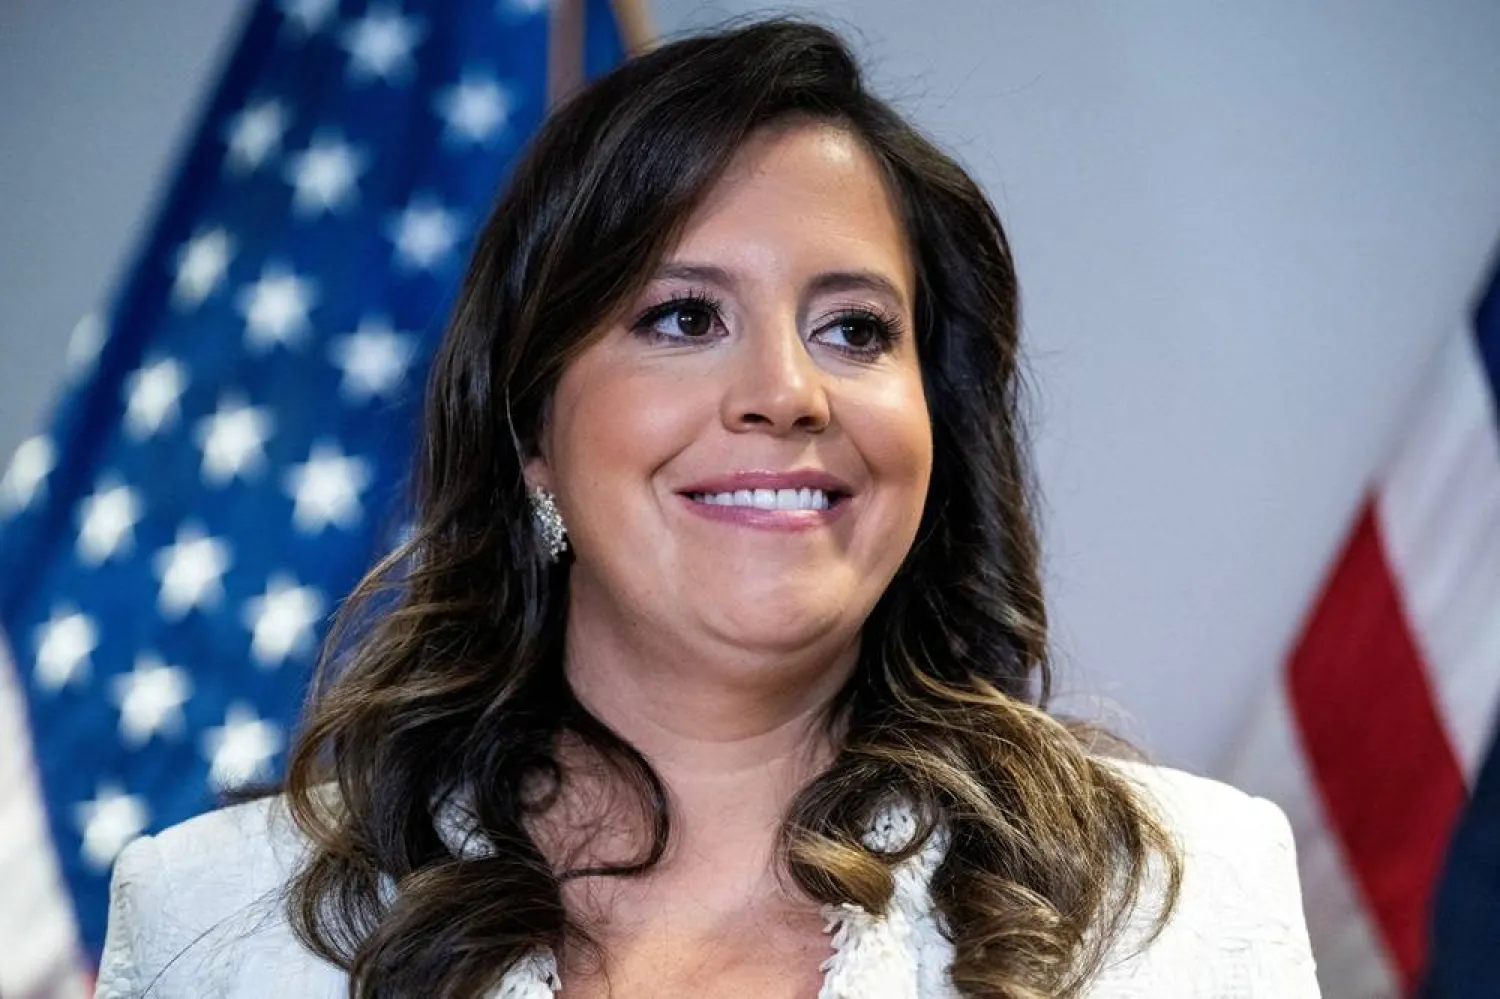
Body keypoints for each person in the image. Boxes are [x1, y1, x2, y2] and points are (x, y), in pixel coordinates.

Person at [95, 17, 1319, 999]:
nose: (787, 394)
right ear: (533, 435)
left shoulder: (1186, 898)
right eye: (683, 317)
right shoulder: (214, 923)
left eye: (854, 329)